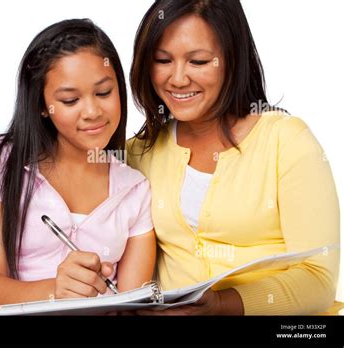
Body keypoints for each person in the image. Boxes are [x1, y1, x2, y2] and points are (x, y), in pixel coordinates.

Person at [127, 0, 340, 315]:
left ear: (233, 60)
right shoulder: (137, 153)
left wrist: (223, 305)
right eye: (162, 60)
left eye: (198, 61)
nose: (178, 79)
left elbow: (318, 279)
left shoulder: (287, 140)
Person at [0, 18, 156, 314]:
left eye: (104, 93)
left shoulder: (135, 189)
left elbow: (129, 305)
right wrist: (56, 290)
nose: (92, 112)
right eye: (70, 99)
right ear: (41, 105)